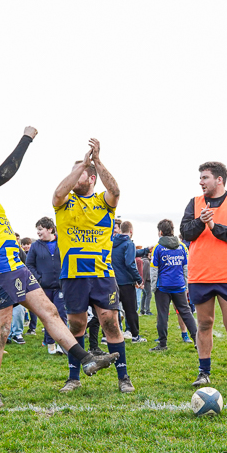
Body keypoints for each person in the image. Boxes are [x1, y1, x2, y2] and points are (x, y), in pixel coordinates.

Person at [0, 128, 119, 405]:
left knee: (50, 312)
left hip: (14, 266)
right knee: (1, 330)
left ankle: (87, 360)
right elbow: (5, 173)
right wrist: (26, 140)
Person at [53, 138, 133, 393]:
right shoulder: (64, 203)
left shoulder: (103, 201)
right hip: (73, 274)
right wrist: (79, 166)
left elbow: (116, 191)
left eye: (80, 174)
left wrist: (96, 161)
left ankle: (123, 378)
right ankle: (73, 377)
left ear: (91, 178)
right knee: (76, 325)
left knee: (110, 322)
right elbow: (57, 193)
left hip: (101, 273)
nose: (73, 178)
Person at [180, 161, 227, 387]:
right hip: (200, 275)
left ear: (219, 180)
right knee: (204, 324)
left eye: (205, 177)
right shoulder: (194, 203)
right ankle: (203, 372)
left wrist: (214, 226)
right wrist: (200, 222)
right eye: (200, 178)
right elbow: (185, 232)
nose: (200, 182)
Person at [150, 219, 198, 352]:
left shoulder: (157, 247)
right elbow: (186, 267)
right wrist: (186, 284)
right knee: (186, 312)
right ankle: (197, 340)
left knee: (163, 315)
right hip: (179, 286)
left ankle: (162, 344)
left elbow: (154, 270)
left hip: (163, 287)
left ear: (160, 232)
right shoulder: (182, 246)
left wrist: (154, 287)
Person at [27, 216, 68, 355]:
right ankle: (50, 343)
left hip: (61, 286)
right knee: (48, 315)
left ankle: (62, 344)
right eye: (37, 230)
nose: (38, 233)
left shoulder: (62, 243)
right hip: (44, 287)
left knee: (61, 314)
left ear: (50, 229)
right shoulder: (35, 246)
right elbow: (29, 265)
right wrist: (39, 278)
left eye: (40, 229)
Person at [112, 220, 145, 343]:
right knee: (131, 310)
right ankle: (135, 335)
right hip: (126, 282)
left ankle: (107, 336)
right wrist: (138, 278)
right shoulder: (129, 243)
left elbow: (129, 254)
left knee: (112, 310)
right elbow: (130, 262)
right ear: (131, 231)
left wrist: (145, 250)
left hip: (113, 281)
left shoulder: (112, 243)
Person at [19, 237, 38, 335]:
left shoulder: (34, 254)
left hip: (31, 281)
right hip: (21, 282)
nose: (26, 246)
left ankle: (33, 327)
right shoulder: (19, 254)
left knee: (33, 307)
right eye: (24, 244)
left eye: (28, 244)